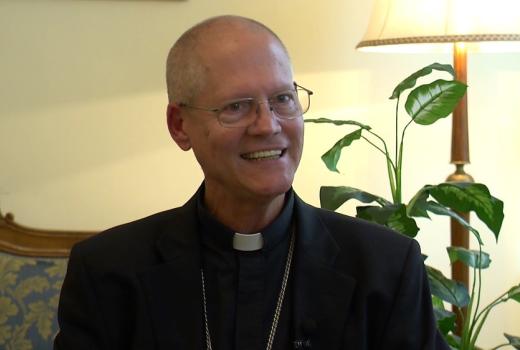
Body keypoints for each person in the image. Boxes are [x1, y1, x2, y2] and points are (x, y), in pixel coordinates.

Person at [55, 15, 449, 350]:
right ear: (180, 126)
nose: (267, 125)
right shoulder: (108, 272)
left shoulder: (384, 268)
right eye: (236, 106)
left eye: (282, 98)